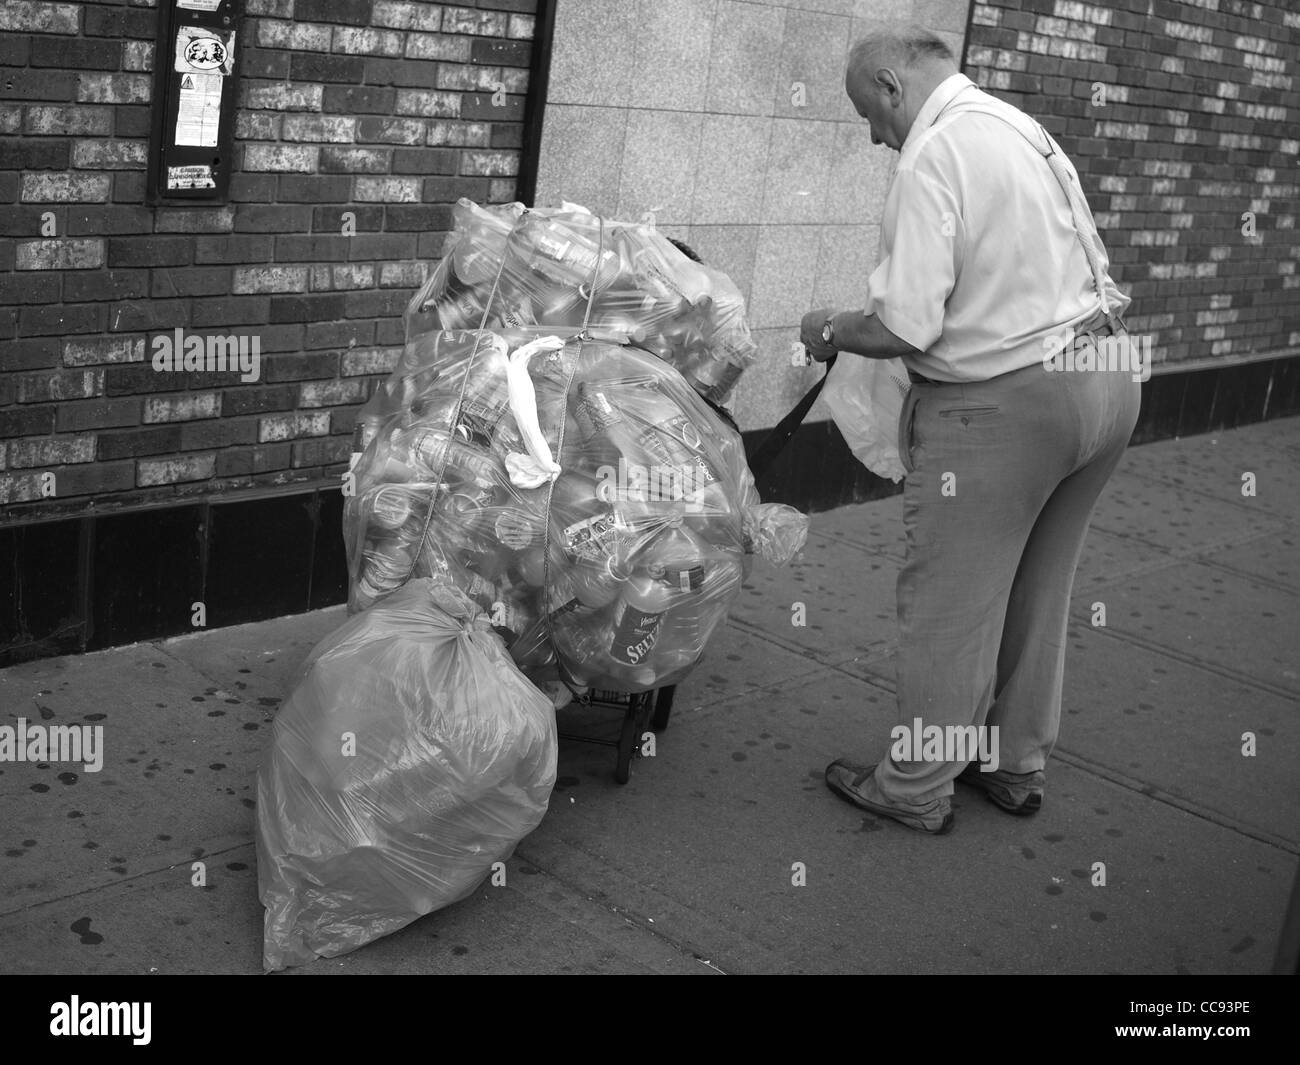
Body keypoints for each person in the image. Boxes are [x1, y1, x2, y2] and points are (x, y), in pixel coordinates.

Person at [800, 26, 1141, 834]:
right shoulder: (1020, 127)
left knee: (951, 602)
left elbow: (907, 325)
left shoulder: (933, 152)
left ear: (890, 85)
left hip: (1008, 410)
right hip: (1108, 379)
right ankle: (1014, 764)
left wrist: (830, 328)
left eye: (868, 116)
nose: (874, 137)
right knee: (1039, 584)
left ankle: (915, 784)